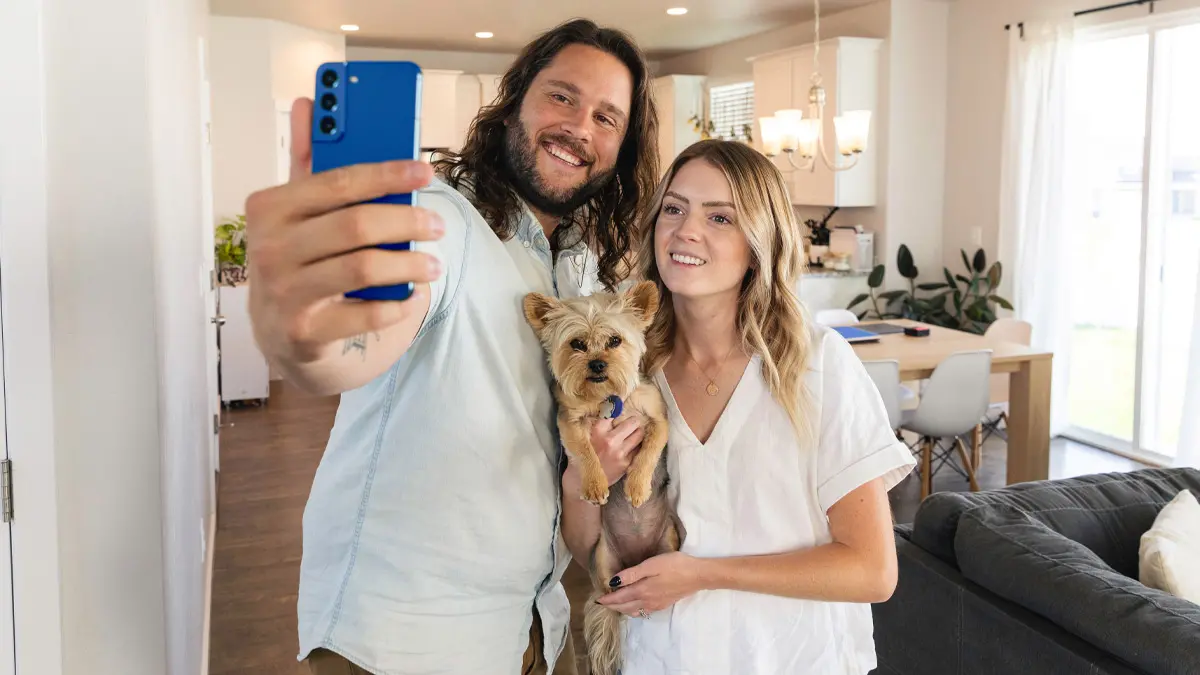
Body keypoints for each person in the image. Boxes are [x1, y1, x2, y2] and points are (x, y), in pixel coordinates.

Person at [242, 18, 661, 675]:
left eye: (607, 117)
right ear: (514, 101)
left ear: (621, 148)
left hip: (526, 628)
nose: (581, 126)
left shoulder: (574, 268)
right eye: (563, 97)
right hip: (401, 641)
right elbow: (350, 340)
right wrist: (300, 327)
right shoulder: (442, 222)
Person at [559, 139, 917, 674]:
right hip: (663, 658)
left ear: (759, 241)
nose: (686, 231)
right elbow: (588, 545)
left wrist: (704, 574)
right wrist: (580, 479)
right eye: (674, 209)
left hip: (794, 658)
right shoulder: (630, 371)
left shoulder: (818, 367)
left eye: (720, 217)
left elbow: (871, 571)